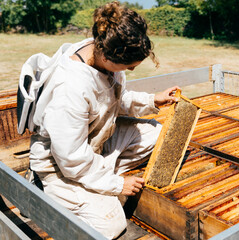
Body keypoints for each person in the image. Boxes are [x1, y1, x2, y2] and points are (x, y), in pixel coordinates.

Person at [27, 2, 179, 239]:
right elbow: (71, 158)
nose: (132, 70)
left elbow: (113, 97)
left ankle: (98, 180)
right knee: (111, 225)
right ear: (111, 58)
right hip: (58, 163)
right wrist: (118, 185)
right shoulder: (70, 88)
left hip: (93, 140)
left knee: (156, 135)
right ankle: (44, 186)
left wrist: (152, 100)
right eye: (129, 67)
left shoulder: (100, 50)